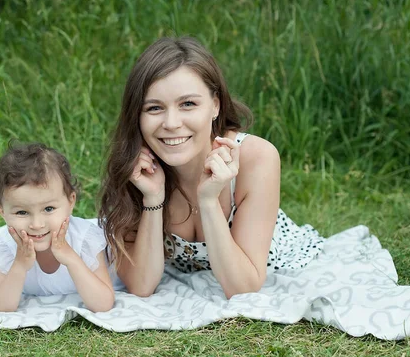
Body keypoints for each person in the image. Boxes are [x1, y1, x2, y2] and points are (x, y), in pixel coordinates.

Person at [99, 37, 325, 299]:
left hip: (275, 265)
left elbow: (242, 287)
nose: (171, 123)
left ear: (215, 105)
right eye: (154, 108)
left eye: (188, 104)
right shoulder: (138, 166)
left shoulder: (256, 158)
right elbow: (141, 286)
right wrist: (152, 198)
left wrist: (208, 201)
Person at [0, 142, 115, 312]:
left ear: (70, 202)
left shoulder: (84, 240)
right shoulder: (8, 247)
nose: (37, 224)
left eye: (48, 209)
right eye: (22, 212)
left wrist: (70, 258)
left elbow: (103, 304)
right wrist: (19, 265)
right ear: (2, 211)